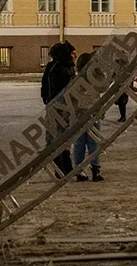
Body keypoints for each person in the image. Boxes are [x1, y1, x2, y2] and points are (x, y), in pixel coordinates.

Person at [41, 42, 76, 175]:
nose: (75, 55)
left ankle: (66, 167)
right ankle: (60, 169)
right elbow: (49, 88)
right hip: (57, 108)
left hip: (65, 108)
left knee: (65, 138)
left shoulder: (68, 67)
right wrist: (50, 102)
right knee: (56, 138)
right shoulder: (56, 67)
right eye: (73, 53)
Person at [72, 53, 104, 181]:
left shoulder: (77, 79)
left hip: (80, 114)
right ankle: (95, 169)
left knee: (79, 143)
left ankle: (79, 170)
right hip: (93, 113)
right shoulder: (96, 78)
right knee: (93, 142)